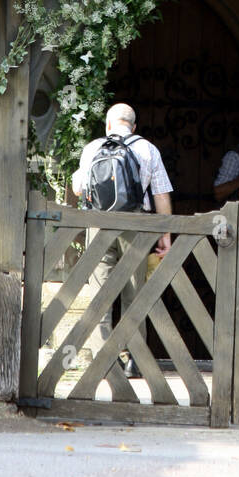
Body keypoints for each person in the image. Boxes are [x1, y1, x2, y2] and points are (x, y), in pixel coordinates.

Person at [72, 102, 173, 379]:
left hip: (100, 225)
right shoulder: (148, 149)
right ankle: (134, 359)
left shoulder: (93, 148)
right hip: (136, 226)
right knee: (135, 292)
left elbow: (79, 188)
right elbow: (161, 193)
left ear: (108, 124)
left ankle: (104, 361)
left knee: (101, 292)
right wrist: (165, 235)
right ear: (134, 126)